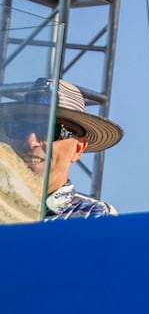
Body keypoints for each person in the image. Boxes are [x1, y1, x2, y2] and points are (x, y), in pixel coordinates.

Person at [10, 79, 121, 220]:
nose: (30, 142)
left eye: (49, 130)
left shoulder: (93, 216)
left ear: (78, 149)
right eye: (20, 129)